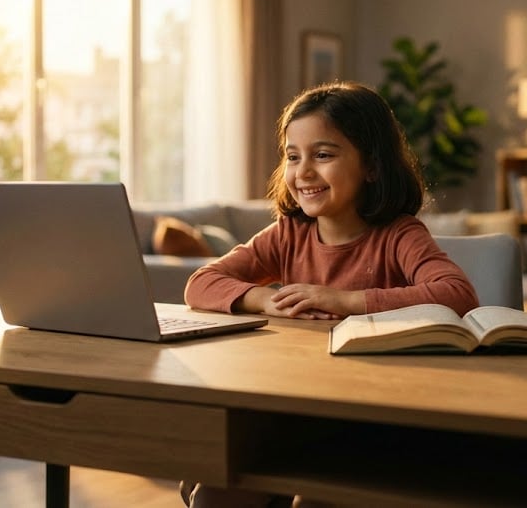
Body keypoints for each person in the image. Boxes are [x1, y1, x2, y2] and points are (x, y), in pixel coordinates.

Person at [180, 81, 479, 507]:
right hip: (296, 411)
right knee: (214, 488)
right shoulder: (289, 234)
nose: (303, 172)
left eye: (323, 155)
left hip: (375, 420)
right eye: (292, 156)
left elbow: (458, 295)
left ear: (372, 165)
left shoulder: (399, 234)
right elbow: (201, 283)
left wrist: (345, 302)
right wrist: (264, 298)